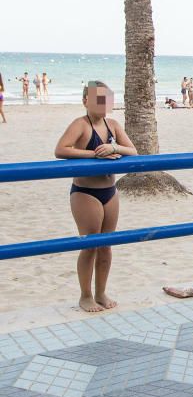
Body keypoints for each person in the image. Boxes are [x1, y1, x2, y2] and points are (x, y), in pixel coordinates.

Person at [54, 81, 137, 312]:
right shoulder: (80, 124)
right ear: (85, 101)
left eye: (106, 98)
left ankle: (101, 292)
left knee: (106, 246)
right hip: (85, 193)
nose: (103, 103)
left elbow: (133, 151)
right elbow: (61, 149)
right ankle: (85, 295)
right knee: (89, 245)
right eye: (97, 98)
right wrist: (93, 155)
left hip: (110, 191)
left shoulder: (113, 124)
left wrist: (115, 148)